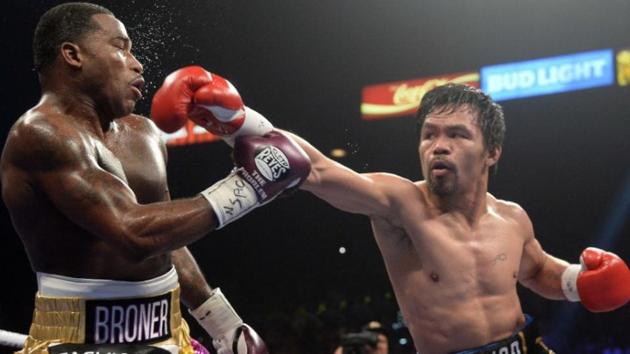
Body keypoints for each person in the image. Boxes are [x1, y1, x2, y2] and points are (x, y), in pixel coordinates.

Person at [158, 72, 630, 353]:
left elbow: (537, 270)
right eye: (429, 134)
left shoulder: (513, 217)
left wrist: (577, 282)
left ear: (492, 153)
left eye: (457, 136)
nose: (438, 146)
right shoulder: (400, 203)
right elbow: (316, 169)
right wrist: (240, 121)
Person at [0, 3, 310, 354]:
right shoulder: (40, 134)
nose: (137, 63)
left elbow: (166, 236)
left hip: (166, 332)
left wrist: (224, 325)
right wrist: (250, 186)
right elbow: (134, 234)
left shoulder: (143, 133)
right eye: (120, 47)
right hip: (76, 339)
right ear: (73, 55)